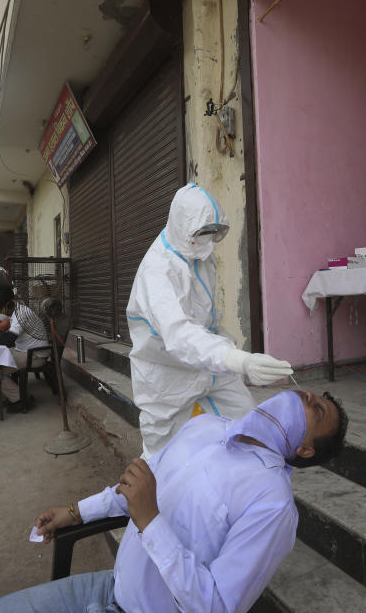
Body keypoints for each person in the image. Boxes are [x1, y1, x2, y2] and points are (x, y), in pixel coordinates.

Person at [0, 389, 348, 613]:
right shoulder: (206, 427)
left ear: (304, 449)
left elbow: (216, 605)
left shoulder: (273, 506)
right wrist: (74, 512)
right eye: (310, 396)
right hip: (112, 586)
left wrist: (151, 521)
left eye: (315, 411)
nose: (307, 398)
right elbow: (136, 487)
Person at [126, 183, 294, 458]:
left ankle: (245, 484)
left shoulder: (199, 254)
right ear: (181, 224)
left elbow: (206, 314)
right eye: (202, 232)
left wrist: (225, 344)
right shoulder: (156, 273)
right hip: (167, 377)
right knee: (162, 457)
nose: (208, 240)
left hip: (208, 367)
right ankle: (147, 499)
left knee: (248, 424)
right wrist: (240, 360)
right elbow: (179, 335)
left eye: (213, 232)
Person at [0, 286, 50, 412]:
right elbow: (7, 333)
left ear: (6, 306)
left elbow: (8, 340)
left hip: (35, 356)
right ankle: (14, 395)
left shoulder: (21, 315)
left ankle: (22, 399)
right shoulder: (18, 310)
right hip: (26, 351)